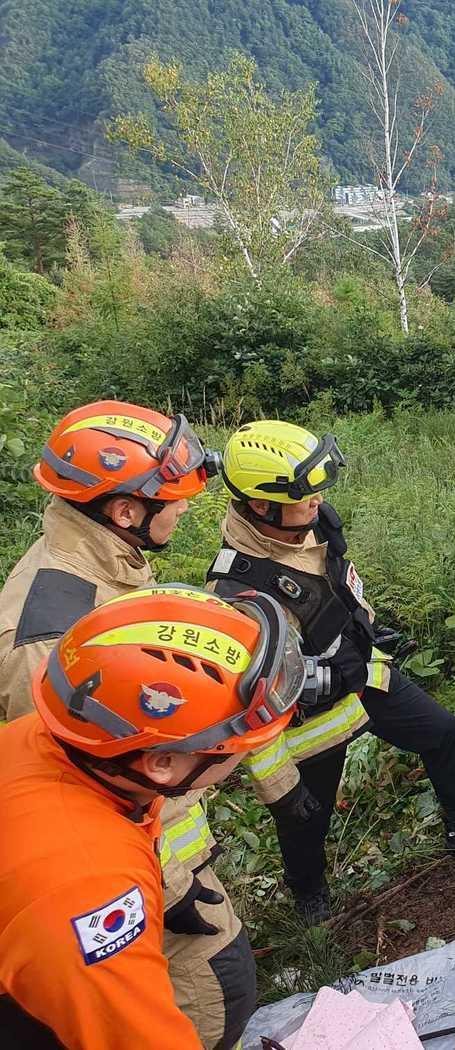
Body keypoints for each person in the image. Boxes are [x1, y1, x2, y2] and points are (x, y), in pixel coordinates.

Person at [0, 400, 256, 1049]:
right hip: (124, 876)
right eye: (175, 499)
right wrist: (168, 891)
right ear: (125, 510)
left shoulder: (101, 558)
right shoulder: (52, 635)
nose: (186, 508)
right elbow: (86, 783)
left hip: (155, 844)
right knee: (214, 998)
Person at [206, 420, 455, 925]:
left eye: (318, 488)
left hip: (364, 673)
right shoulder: (241, 593)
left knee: (441, 731)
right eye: (304, 493)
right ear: (262, 507)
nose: (318, 500)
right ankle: (309, 896)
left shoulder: (314, 524)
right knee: (307, 814)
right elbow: (257, 692)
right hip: (311, 718)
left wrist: (368, 632)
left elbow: (339, 588)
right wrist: (281, 786)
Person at [0, 587, 305, 1050]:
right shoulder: (88, 888)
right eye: (238, 743)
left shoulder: (45, 740)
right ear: (162, 762)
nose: (247, 752)